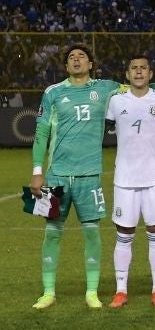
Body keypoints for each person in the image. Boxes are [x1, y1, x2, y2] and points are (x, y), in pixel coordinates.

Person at [30, 44, 123, 309]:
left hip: (90, 175)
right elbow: (41, 134)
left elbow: (142, 89)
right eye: (71, 57)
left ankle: (91, 292)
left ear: (91, 64)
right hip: (55, 175)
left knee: (92, 233)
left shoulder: (106, 88)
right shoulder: (53, 93)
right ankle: (48, 293)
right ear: (66, 66)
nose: (76, 60)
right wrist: (37, 172)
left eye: (81, 56)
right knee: (51, 233)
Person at [105, 54, 155, 308]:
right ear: (127, 75)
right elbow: (98, 130)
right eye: (133, 68)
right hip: (124, 178)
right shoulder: (115, 102)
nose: (138, 72)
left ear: (150, 74)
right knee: (123, 233)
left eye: (143, 68)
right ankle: (121, 291)